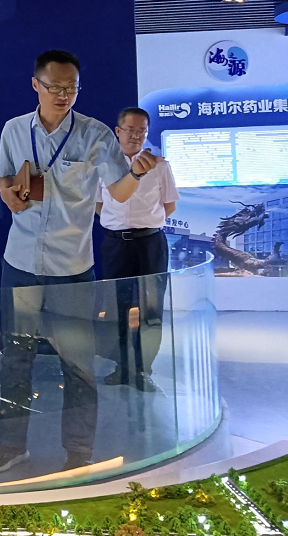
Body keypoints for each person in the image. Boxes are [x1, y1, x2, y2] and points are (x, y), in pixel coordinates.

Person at [0, 50, 162, 474]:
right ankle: (11, 445)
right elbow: (4, 177)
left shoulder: (94, 134)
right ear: (36, 85)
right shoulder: (14, 130)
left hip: (72, 268)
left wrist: (137, 174)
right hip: (21, 263)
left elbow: (118, 192)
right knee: (16, 358)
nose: (63, 95)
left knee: (78, 363)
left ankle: (79, 450)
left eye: (71, 88)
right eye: (55, 87)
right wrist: (8, 193)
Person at [96, 107, 180, 392]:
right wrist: (119, 225)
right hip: (115, 244)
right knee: (116, 308)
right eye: (130, 130)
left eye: (141, 131)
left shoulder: (160, 166)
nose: (136, 136)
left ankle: (143, 369)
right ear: (118, 131)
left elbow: (169, 205)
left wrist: (144, 225)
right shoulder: (104, 164)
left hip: (150, 244)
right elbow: (98, 204)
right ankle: (121, 367)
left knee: (150, 310)